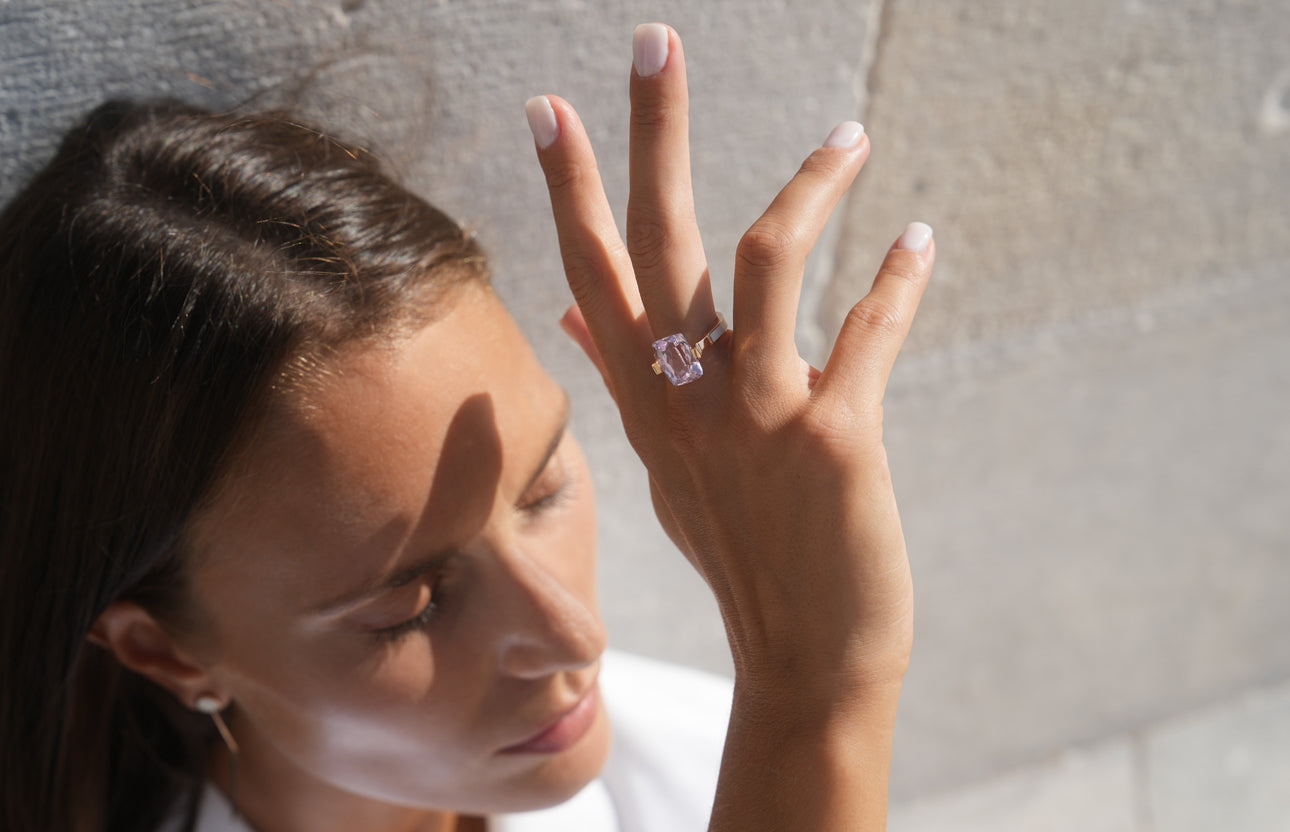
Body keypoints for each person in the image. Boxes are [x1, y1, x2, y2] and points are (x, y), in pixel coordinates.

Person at [0, 22, 934, 832]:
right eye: (410, 609)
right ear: (168, 651)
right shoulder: (787, 742)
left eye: (544, 490)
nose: (574, 638)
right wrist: (819, 694)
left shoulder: (701, 759)